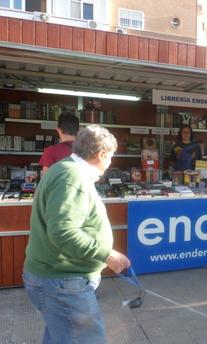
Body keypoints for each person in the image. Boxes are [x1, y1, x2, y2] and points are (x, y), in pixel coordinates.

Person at [23, 125, 131, 344]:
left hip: (57, 279)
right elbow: (63, 231)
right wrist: (107, 254)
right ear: (101, 154)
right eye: (110, 157)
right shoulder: (73, 177)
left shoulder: (65, 168)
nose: (110, 163)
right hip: (62, 282)